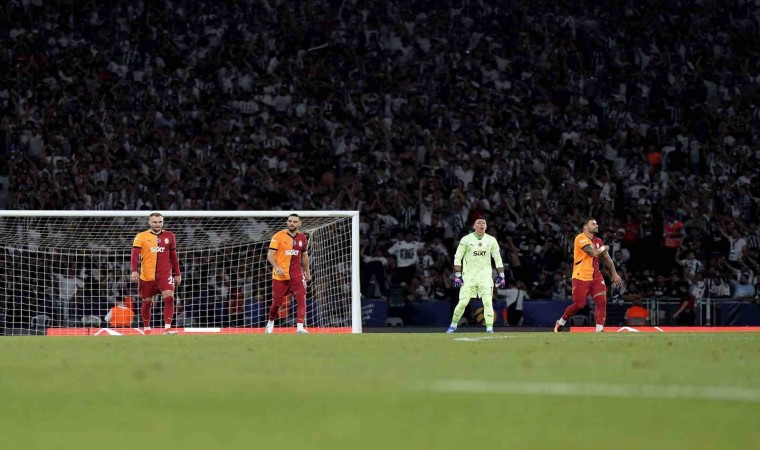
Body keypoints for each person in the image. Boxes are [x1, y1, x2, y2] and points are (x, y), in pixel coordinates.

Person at [554, 218, 623, 332]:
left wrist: (614, 273)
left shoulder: (598, 241)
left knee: (602, 301)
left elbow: (606, 258)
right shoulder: (580, 238)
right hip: (581, 276)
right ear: (585, 227)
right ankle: (561, 321)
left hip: (596, 276)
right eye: (593, 224)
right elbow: (592, 252)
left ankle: (599, 330)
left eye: (596, 224)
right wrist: (603, 248)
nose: (597, 226)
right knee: (579, 305)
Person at [445, 218, 505, 333]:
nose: (481, 224)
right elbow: (458, 257)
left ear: (485, 227)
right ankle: (453, 326)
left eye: (483, 223)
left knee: (488, 302)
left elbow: (498, 259)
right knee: (462, 303)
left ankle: (489, 328)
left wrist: (501, 275)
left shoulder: (491, 240)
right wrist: (458, 275)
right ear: (474, 226)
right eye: (478, 222)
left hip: (485, 277)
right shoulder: (466, 239)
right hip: (469, 277)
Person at [130, 212, 182, 335]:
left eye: (160, 222)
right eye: (154, 222)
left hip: (165, 274)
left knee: (169, 298)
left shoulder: (170, 236)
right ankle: (147, 328)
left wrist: (177, 273)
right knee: (147, 302)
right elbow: (134, 255)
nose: (157, 224)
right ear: (149, 222)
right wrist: (134, 271)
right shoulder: (141, 236)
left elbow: (173, 256)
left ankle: (167, 328)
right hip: (147, 275)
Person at [265, 214, 312, 334]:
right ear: (287, 222)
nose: (292, 223)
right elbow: (270, 255)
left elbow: (304, 256)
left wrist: (307, 272)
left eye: (295, 221)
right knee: (277, 303)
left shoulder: (302, 237)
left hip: (297, 274)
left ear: (299, 224)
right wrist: (277, 267)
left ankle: (300, 327)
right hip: (280, 275)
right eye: (290, 221)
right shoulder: (278, 236)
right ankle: (270, 323)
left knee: (301, 298)